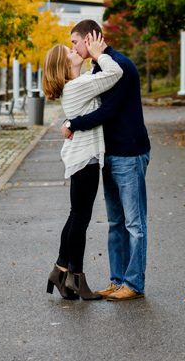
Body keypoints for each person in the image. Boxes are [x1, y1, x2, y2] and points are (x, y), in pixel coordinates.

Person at [61, 19, 150, 302]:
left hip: (130, 152)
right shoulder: (99, 68)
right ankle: (117, 280)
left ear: (89, 39)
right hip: (109, 154)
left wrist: (73, 123)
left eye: (75, 41)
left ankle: (133, 284)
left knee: (134, 223)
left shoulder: (119, 65)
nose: (73, 47)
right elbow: (84, 98)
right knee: (115, 222)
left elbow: (107, 112)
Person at [42, 31, 122, 301]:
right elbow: (114, 73)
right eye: (71, 53)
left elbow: (95, 79)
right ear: (65, 65)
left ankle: (67, 274)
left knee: (77, 216)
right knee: (80, 217)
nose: (77, 52)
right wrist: (100, 54)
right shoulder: (77, 86)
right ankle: (68, 272)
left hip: (83, 156)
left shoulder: (78, 83)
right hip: (85, 157)